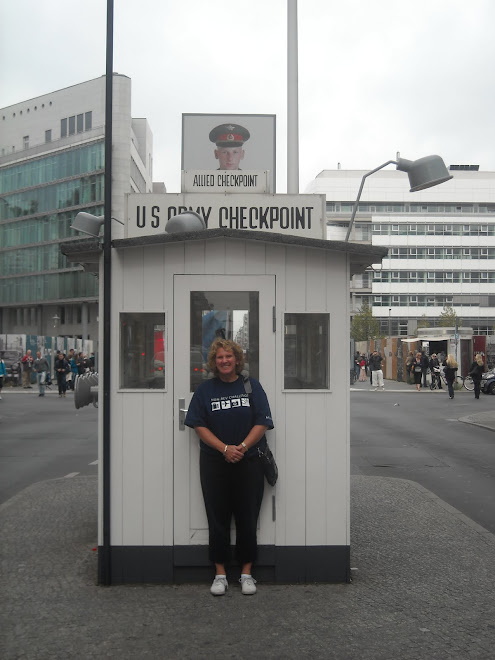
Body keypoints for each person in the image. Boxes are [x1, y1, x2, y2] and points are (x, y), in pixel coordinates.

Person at [185, 338, 274, 597]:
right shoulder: (205, 391)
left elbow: (263, 422)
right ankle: (220, 574)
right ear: (214, 362)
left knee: (248, 516)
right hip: (215, 463)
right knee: (217, 517)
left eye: (229, 356)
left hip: (249, 462)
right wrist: (225, 448)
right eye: (219, 357)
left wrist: (241, 448)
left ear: (237, 360)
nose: (224, 361)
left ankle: (246, 573)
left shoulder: (251, 387)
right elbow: (198, 425)